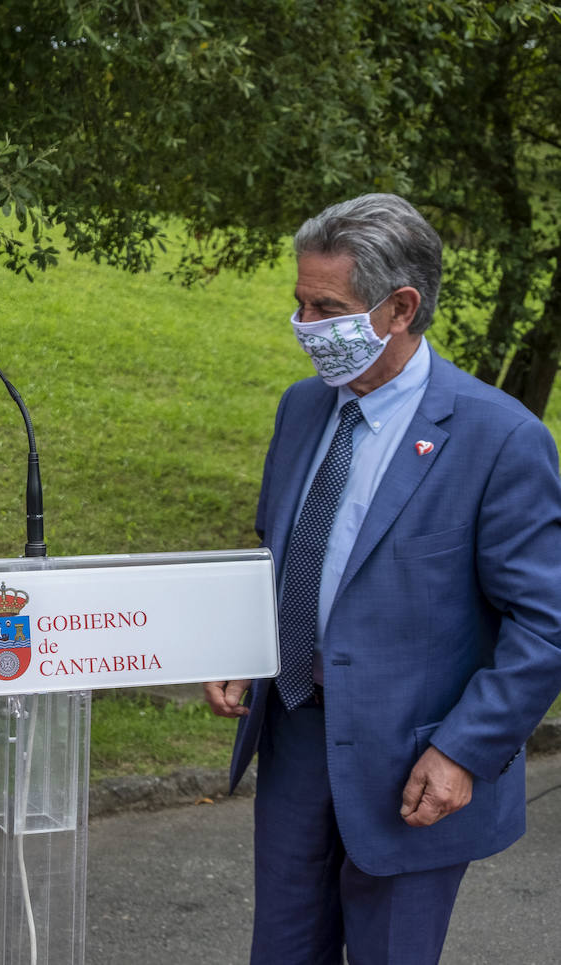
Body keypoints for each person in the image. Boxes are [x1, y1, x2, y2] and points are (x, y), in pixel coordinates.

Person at [204, 193, 561, 964]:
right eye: (298, 303)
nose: (304, 327)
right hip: (297, 732)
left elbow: (545, 625)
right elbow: (280, 550)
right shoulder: (302, 408)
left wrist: (465, 751)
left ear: (401, 307)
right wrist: (244, 639)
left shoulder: (501, 439)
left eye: (325, 307)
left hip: (416, 763)